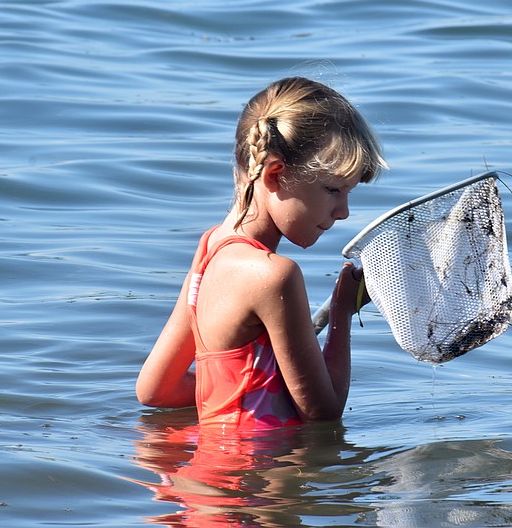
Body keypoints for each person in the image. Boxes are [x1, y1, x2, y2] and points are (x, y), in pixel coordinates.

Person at [136, 77, 387, 431]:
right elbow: (323, 414)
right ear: (275, 174)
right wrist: (343, 311)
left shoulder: (210, 248)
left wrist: (239, 401)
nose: (343, 211)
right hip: (258, 482)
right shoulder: (273, 276)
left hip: (200, 478)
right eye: (333, 190)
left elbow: (154, 390)